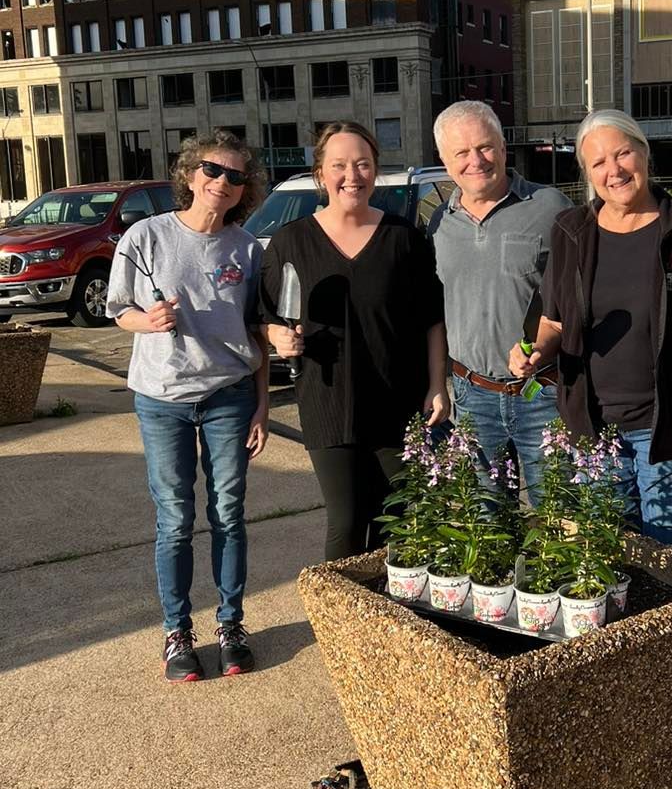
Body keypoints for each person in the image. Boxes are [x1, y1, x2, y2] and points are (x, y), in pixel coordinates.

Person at [509, 110, 672, 552]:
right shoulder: (572, 232)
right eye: (599, 162)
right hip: (593, 429)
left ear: (643, 152)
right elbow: (553, 321)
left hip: (666, 428)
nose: (614, 170)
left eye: (623, 153)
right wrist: (535, 353)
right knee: (609, 556)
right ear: (587, 173)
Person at [106, 130, 269, 683]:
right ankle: (178, 633)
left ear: (245, 188)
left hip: (229, 395)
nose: (221, 182)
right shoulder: (145, 237)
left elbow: (258, 334)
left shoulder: (248, 249)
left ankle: (231, 626)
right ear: (190, 173)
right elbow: (118, 310)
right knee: (175, 518)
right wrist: (145, 322)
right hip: (161, 399)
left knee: (228, 512)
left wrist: (262, 406)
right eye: (212, 170)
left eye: (235, 176)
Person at [261, 122, 448, 561]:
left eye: (363, 164)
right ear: (321, 175)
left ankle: (395, 620)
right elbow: (263, 316)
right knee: (346, 520)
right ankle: (342, 622)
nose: (353, 175)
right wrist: (277, 337)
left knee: (402, 518)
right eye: (340, 165)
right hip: (327, 402)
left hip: (397, 401)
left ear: (375, 170)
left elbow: (432, 320)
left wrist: (437, 384)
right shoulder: (292, 241)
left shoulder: (403, 238)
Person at [428, 100, 571, 502]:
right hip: (472, 396)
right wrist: (437, 383)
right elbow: (434, 313)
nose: (476, 160)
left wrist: (543, 347)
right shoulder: (439, 223)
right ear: (444, 160)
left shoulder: (551, 208)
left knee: (558, 519)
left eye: (485, 147)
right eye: (461, 152)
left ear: (503, 147)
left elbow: (574, 299)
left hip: (542, 393)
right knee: (487, 521)